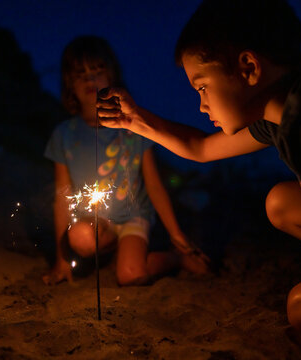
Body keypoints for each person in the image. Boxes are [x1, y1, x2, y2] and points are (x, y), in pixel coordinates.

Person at [97, 0, 301, 354]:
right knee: (281, 203)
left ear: (249, 67)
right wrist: (135, 120)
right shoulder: (286, 112)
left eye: (203, 87)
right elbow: (200, 148)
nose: (201, 105)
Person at [42, 35, 209, 287]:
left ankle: (174, 259)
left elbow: (154, 184)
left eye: (97, 71)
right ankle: (111, 251)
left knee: (131, 275)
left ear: (112, 76)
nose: (90, 79)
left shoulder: (133, 128)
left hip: (134, 215)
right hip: (97, 223)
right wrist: (62, 261)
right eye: (80, 73)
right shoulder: (64, 135)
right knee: (80, 238)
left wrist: (177, 235)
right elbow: (61, 197)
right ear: (69, 83)